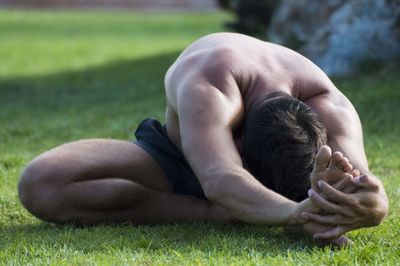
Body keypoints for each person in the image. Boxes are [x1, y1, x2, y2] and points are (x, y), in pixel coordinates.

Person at [18, 33, 388, 246]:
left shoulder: (330, 104)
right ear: (237, 140)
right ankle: (223, 213)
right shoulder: (210, 81)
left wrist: (371, 206)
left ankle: (258, 203)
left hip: (265, 166)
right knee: (43, 183)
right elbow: (219, 177)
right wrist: (296, 213)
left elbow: (361, 183)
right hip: (185, 157)